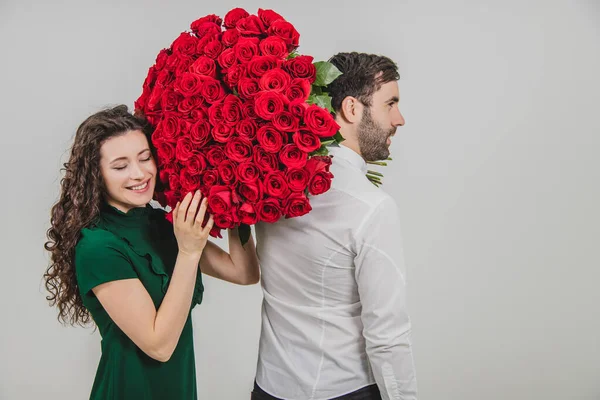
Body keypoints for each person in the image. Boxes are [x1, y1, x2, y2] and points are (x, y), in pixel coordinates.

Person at [44, 105, 260, 399]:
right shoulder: (98, 246)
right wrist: (188, 252)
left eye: (145, 158)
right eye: (120, 166)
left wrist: (235, 197)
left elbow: (244, 273)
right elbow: (159, 345)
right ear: (96, 175)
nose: (139, 173)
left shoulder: (160, 223)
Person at [252, 52, 417, 400]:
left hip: (269, 388)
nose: (399, 119)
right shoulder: (372, 208)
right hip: (343, 389)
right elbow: (387, 336)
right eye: (391, 104)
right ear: (352, 109)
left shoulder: (269, 187)